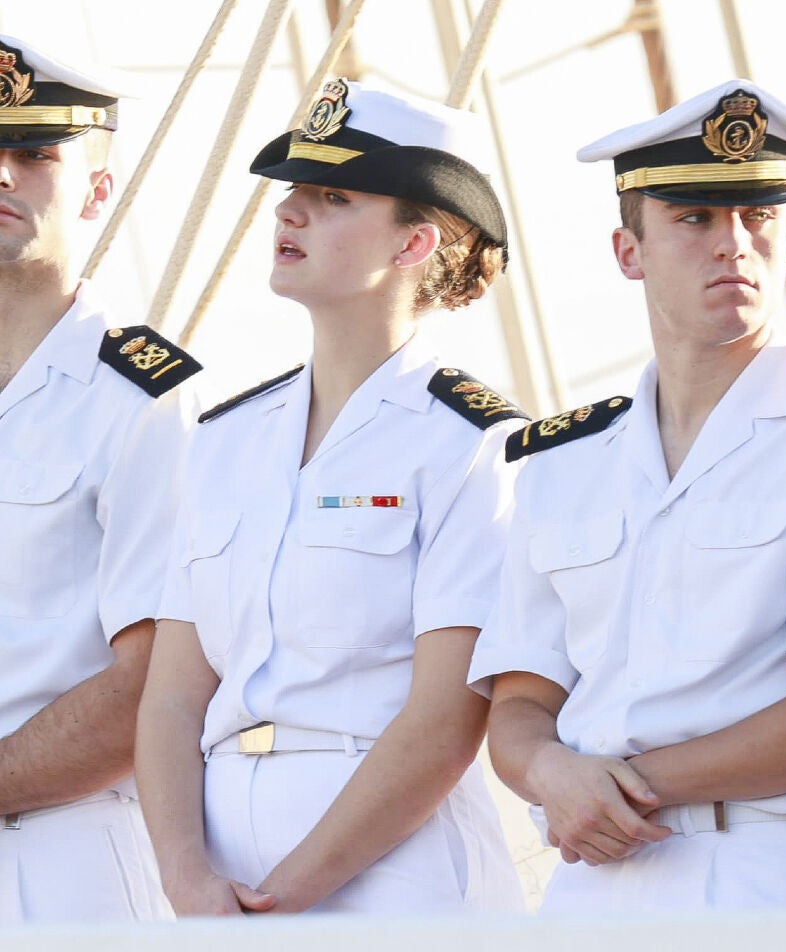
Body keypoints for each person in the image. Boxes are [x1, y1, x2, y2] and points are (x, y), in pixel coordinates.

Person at [135, 77, 529, 916]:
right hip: (218, 875)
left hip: (395, 883)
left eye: (332, 196)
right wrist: (184, 878)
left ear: (415, 244)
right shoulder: (226, 440)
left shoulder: (472, 443)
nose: (289, 213)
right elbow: (172, 697)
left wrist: (283, 899)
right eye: (292, 193)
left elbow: (443, 719)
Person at [468, 78, 786, 914]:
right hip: (592, 893)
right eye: (696, 218)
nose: (734, 244)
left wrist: (612, 790)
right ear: (629, 252)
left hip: (765, 871)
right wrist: (551, 775)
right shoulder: (562, 459)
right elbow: (521, 699)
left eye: (758, 217)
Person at [0, 34, 201, 922]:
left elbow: (153, 686)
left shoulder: (148, 402)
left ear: (97, 188)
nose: (2, 176)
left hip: (62, 860)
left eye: (36, 154)